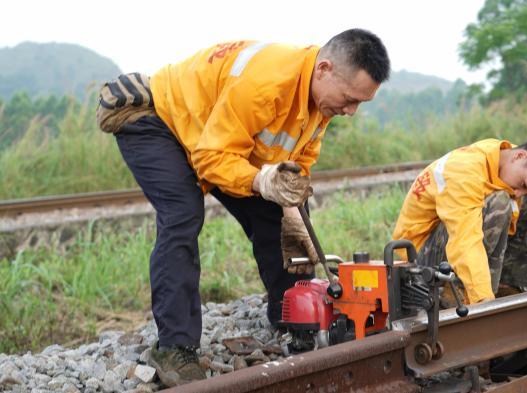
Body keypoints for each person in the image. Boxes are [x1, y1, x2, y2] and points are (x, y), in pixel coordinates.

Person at [96, 29, 390, 386]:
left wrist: (290, 208)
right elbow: (210, 157)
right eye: (348, 99)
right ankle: (174, 348)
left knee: (277, 208)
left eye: (360, 103)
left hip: (211, 137)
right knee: (182, 214)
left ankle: (292, 314)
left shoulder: (317, 100)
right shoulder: (267, 82)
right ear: (325, 68)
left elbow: (295, 167)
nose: (351, 111)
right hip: (158, 120)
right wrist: (262, 181)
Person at [392, 138, 527, 305]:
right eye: (523, 185)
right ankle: (460, 288)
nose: (519, 193)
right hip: (419, 258)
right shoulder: (462, 173)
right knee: (501, 202)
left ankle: (511, 284)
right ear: (519, 156)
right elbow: (465, 241)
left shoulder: (509, 157)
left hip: (455, 238)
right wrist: (483, 299)